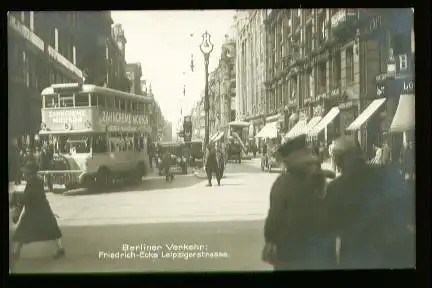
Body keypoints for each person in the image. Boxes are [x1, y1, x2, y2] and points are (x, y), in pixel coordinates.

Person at [325, 136, 414, 269]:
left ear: (338, 159)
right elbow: (408, 204)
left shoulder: (335, 189)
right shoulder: (387, 173)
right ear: (360, 153)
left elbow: (329, 231)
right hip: (391, 254)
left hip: (355, 257)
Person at [263, 134, 336, 270]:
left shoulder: (283, 184)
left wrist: (271, 240)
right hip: (320, 254)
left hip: (291, 255)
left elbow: (274, 220)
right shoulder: (321, 181)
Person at [12, 161, 65, 260]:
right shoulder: (39, 179)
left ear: (29, 172)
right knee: (53, 228)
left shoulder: (31, 181)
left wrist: (19, 206)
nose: (24, 173)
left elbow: (27, 196)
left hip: (33, 210)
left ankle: (16, 252)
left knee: (21, 230)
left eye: (26, 171)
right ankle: (61, 248)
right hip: (44, 207)